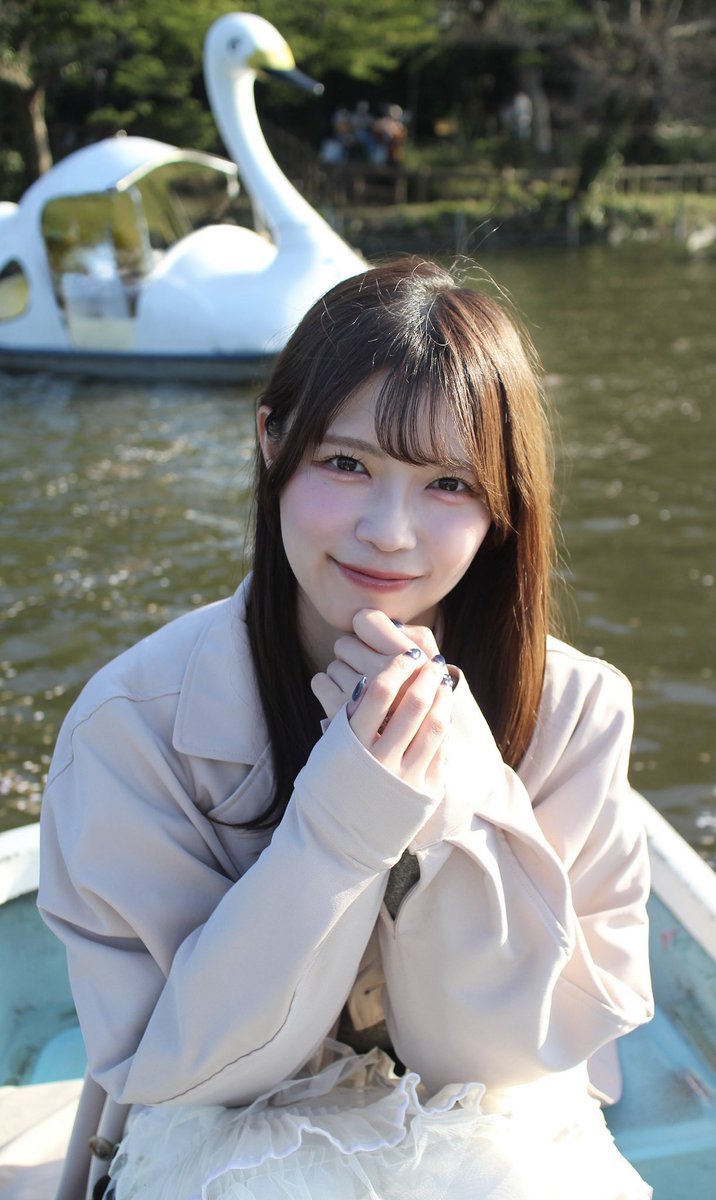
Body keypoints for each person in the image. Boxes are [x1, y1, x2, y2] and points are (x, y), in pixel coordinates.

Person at [39, 258, 654, 1200]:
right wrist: (340, 832)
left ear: (504, 503)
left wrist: (454, 798)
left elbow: (499, 1061)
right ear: (271, 440)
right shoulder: (131, 728)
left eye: (449, 482)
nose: (390, 532)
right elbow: (189, 1075)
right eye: (346, 464)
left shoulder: (576, 711)